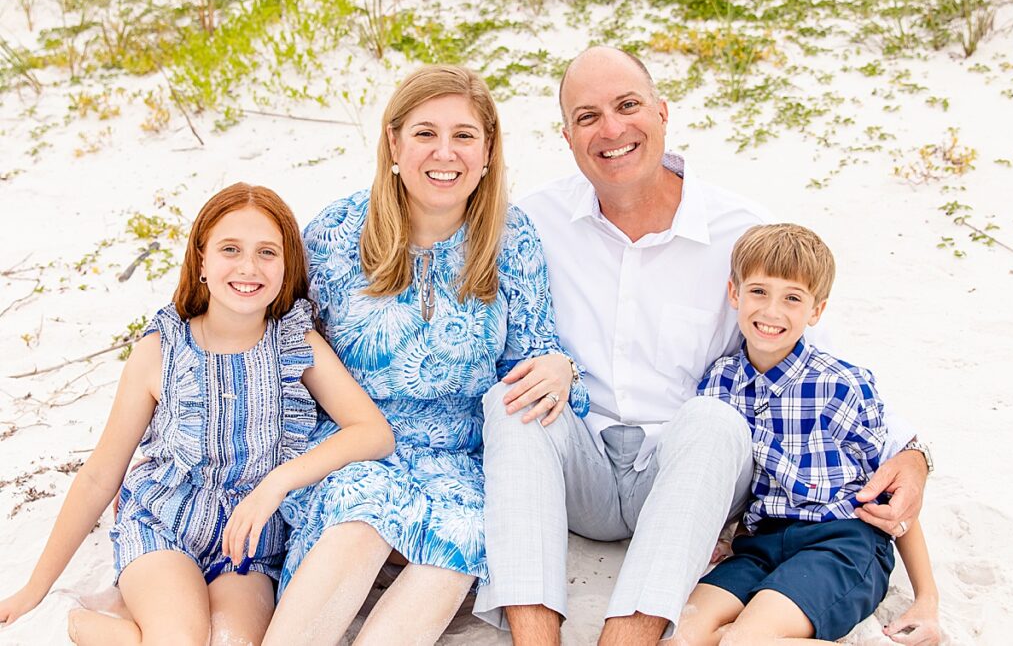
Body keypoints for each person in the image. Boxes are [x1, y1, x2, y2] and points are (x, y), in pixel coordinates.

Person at [474, 46, 932, 644]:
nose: (611, 129)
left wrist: (915, 453)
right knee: (509, 404)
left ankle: (627, 638)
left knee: (714, 417)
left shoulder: (739, 229)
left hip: (689, 472)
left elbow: (815, 359)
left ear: (663, 113)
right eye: (587, 116)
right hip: (580, 464)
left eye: (628, 105)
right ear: (567, 135)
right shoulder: (533, 221)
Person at [262, 64, 588, 645]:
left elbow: (534, 355)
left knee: (459, 538)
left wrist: (561, 367)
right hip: (353, 445)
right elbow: (278, 350)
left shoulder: (511, 238)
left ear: (488, 151)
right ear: (393, 142)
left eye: (464, 135)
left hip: (460, 459)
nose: (446, 152)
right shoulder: (335, 234)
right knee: (360, 510)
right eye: (425, 133)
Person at [0, 183, 394, 645]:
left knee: (233, 642)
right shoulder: (161, 351)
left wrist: (277, 483)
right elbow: (100, 474)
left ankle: (129, 623)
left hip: (247, 546)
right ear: (202, 260)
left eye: (267, 252)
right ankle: (85, 622)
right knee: (179, 639)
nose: (249, 267)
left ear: (286, 267)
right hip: (163, 529)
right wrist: (34, 588)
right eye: (231, 249)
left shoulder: (294, 345)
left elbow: (373, 432)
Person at [678, 223, 940, 644]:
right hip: (761, 543)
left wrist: (927, 598)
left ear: (815, 311)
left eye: (793, 298)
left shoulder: (843, 384)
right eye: (759, 291)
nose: (771, 312)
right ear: (734, 294)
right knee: (683, 635)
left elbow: (896, 499)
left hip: (841, 542)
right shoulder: (718, 383)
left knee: (745, 639)